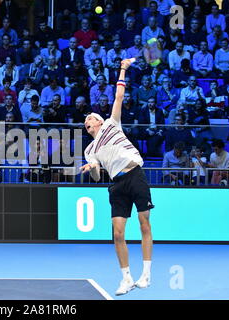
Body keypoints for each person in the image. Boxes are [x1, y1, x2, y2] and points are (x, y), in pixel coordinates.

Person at [80, 58, 154, 296]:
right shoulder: (89, 150)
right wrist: (91, 166)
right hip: (117, 184)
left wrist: (123, 68)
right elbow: (95, 177)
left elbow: (119, 96)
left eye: (89, 119)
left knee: (144, 224)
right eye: (85, 123)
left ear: (99, 121)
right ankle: (126, 278)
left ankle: (146, 274)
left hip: (135, 174)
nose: (87, 123)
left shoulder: (113, 124)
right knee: (118, 233)